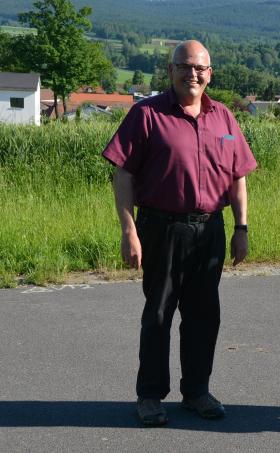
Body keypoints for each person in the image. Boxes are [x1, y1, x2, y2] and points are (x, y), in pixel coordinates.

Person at [102, 40, 257, 426]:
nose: (193, 74)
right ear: (170, 71)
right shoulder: (147, 114)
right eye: (185, 67)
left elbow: (238, 177)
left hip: (210, 231)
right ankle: (150, 396)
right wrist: (129, 230)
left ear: (210, 74)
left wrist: (241, 228)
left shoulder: (223, 118)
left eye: (200, 68)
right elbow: (122, 174)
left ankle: (197, 392)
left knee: (205, 315)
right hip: (162, 228)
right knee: (159, 314)